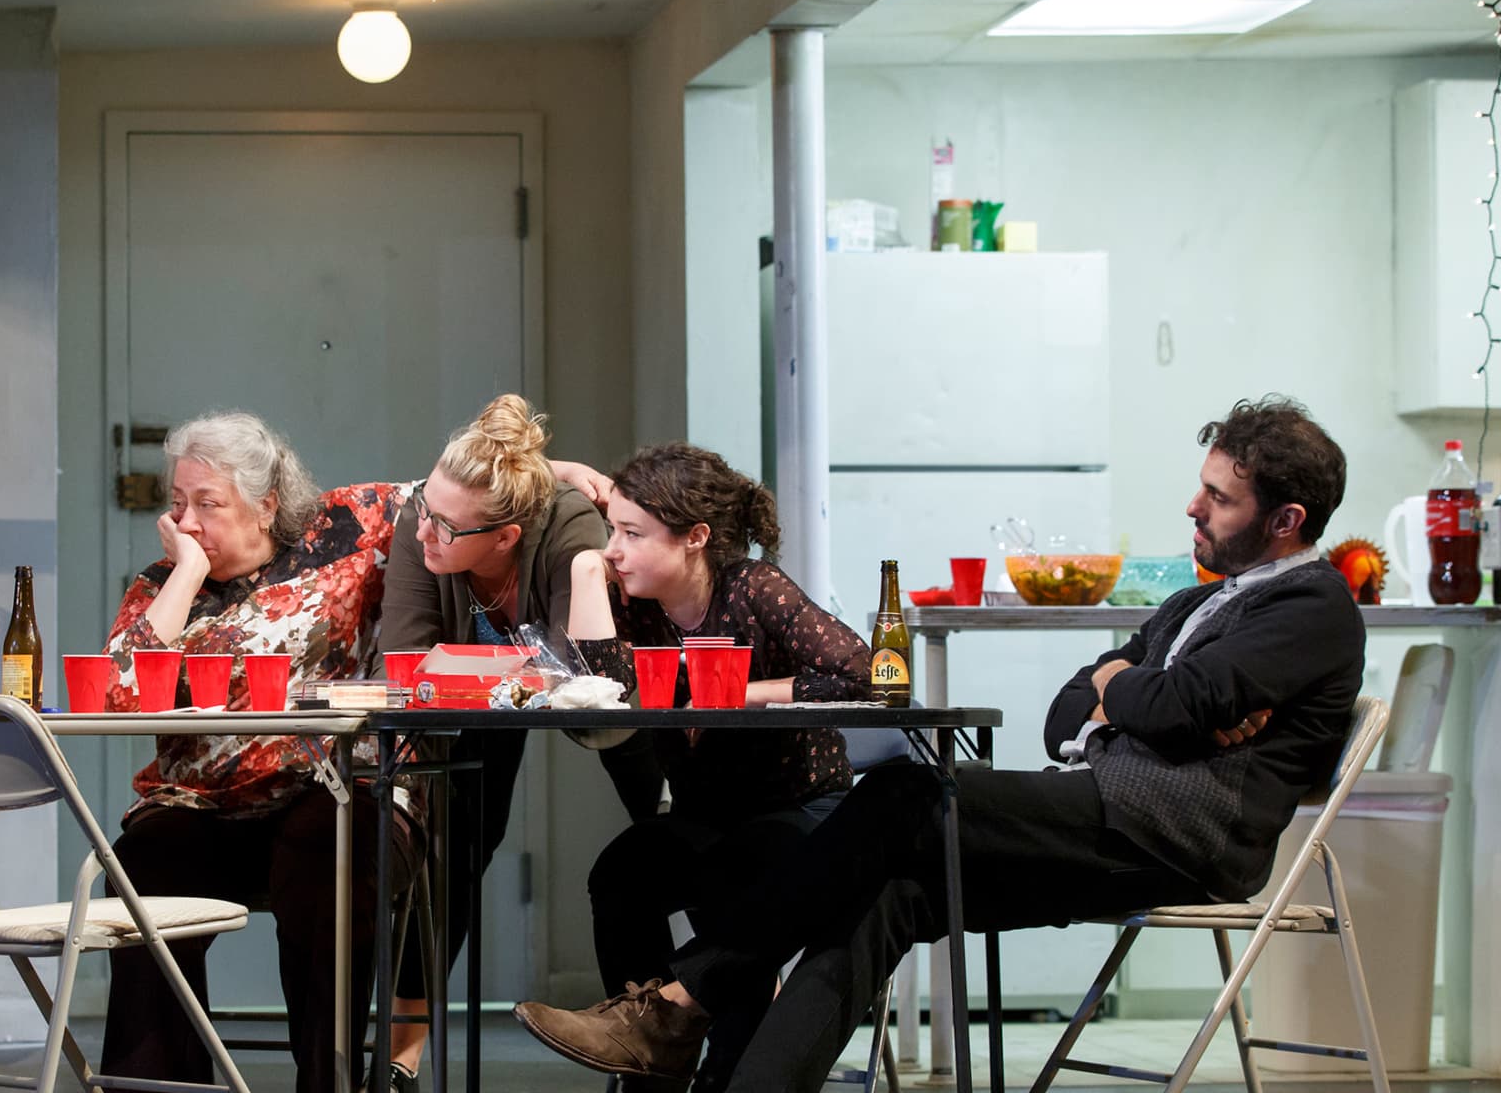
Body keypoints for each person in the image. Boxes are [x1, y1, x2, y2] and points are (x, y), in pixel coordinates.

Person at [513, 396, 1365, 1092]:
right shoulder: (1194, 603)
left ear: (1286, 519)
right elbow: (1071, 707)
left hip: (1176, 834)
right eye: (1203, 487)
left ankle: (677, 999)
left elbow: (1175, 701)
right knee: (886, 899)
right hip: (1106, 808)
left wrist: (1131, 692)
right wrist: (1121, 695)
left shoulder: (1312, 606)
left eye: (1219, 497)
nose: (1193, 505)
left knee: (905, 795)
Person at [99, 411, 423, 1093]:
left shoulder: (343, 532)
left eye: (208, 504)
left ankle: (327, 1081)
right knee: (142, 865)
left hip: (328, 787)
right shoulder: (162, 586)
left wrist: (563, 477)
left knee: (329, 852)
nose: (186, 521)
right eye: (178, 503)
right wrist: (186, 573)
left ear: (266, 504)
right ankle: (158, 1087)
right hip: (204, 802)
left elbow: (453, 493)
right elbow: (120, 695)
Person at [371, 395, 664, 1091]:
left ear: (506, 536)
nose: (426, 533)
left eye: (448, 525)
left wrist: (476, 670)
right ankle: (398, 1056)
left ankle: (657, 1037)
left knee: (661, 837)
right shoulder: (425, 521)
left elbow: (589, 691)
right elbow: (409, 667)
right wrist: (490, 673)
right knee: (453, 847)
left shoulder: (567, 526)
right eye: (426, 509)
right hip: (485, 700)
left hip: (618, 682)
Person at [560, 442, 871, 1093]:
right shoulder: (640, 605)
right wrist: (588, 572)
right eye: (612, 530)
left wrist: (749, 692)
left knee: (739, 879)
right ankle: (649, 1058)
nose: (614, 548)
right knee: (622, 874)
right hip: (709, 815)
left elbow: (873, 673)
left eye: (631, 534)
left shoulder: (753, 589)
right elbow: (606, 696)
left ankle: (719, 1064)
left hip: (802, 810)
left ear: (695, 537)